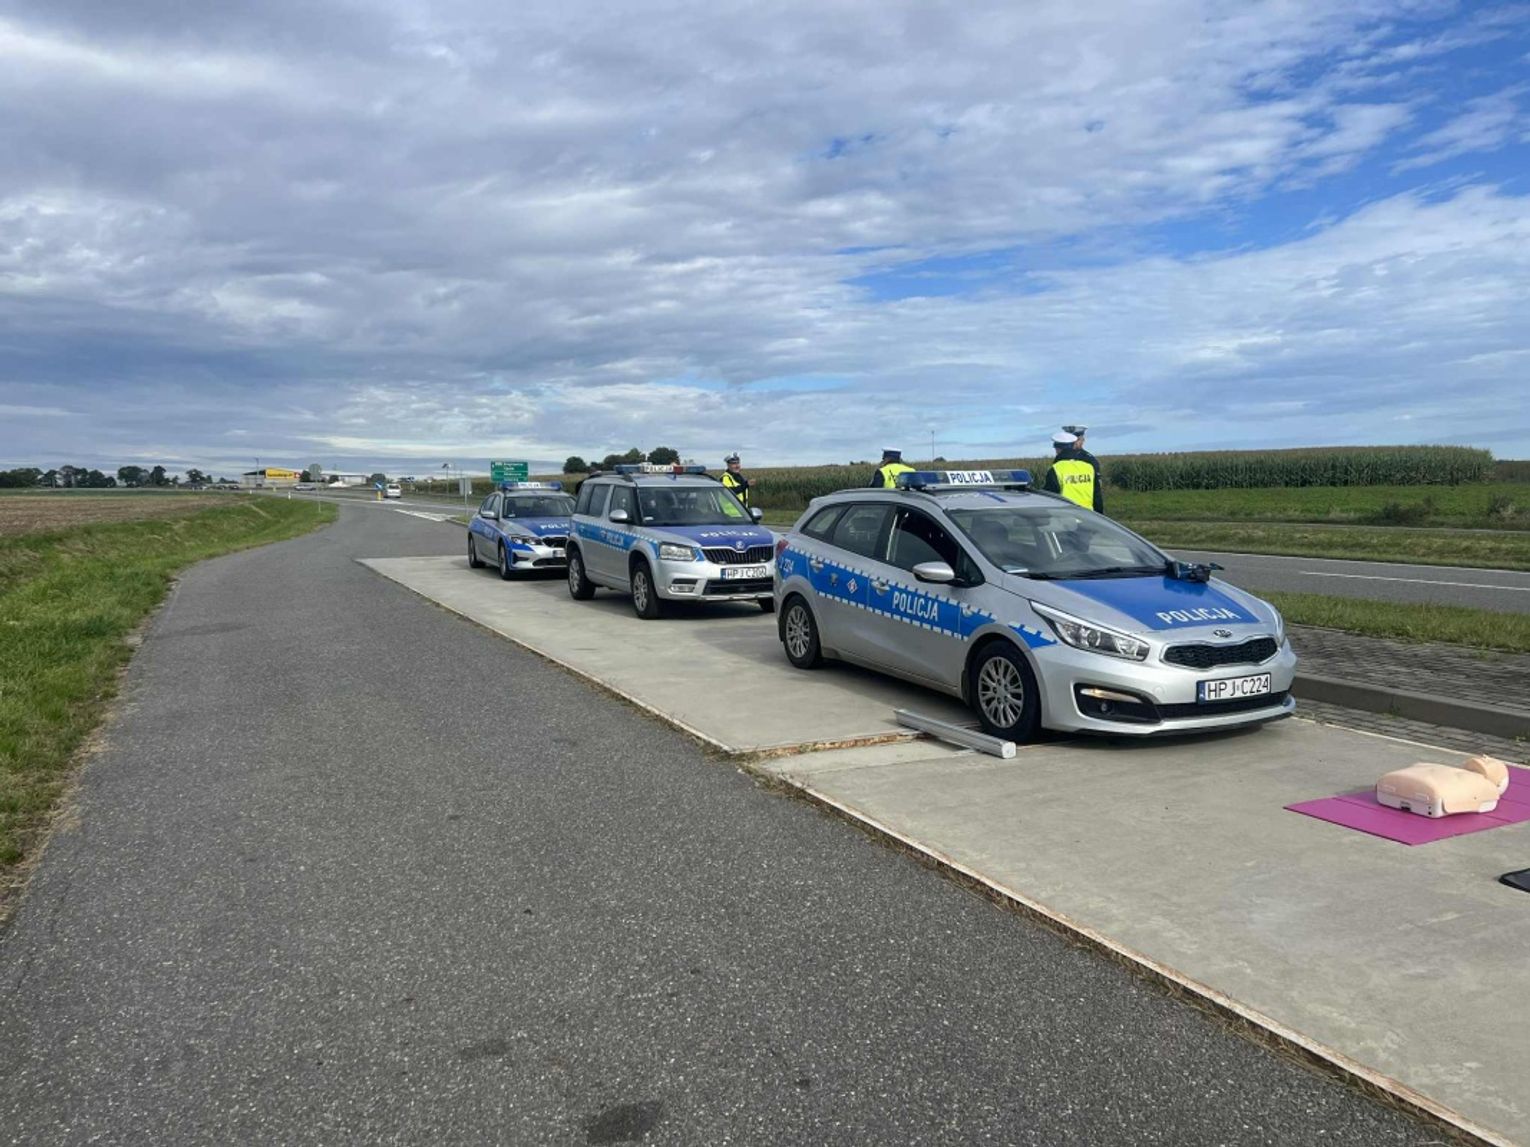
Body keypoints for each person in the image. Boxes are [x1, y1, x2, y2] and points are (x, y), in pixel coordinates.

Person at [1043, 427, 1104, 513]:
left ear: (1057, 449)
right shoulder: (1088, 467)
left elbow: (1050, 497)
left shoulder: (1056, 469)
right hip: (1088, 515)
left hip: (1066, 515)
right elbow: (1097, 496)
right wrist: (1099, 517)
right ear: (1073, 445)